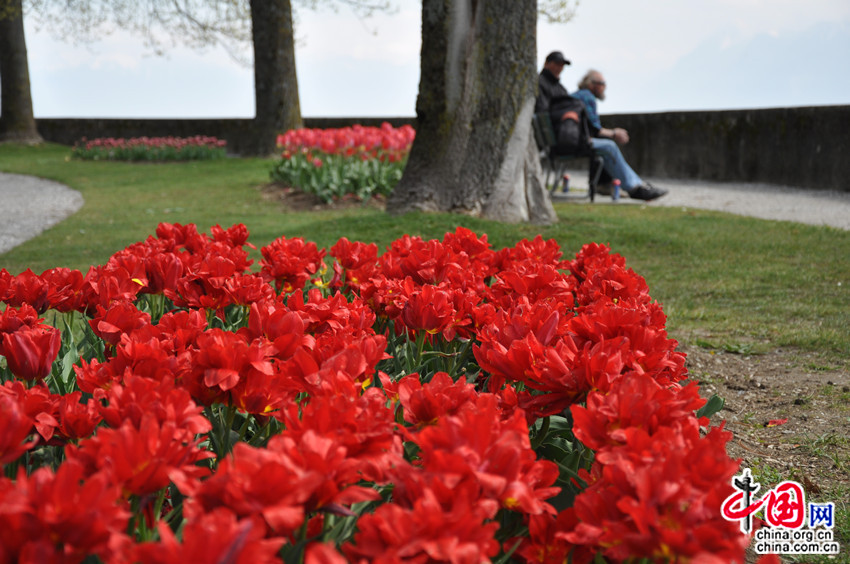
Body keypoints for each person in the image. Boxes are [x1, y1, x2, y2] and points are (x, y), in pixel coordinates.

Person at [572, 69, 667, 201]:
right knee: (609, 146)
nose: (604, 87)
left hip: (568, 140)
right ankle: (635, 187)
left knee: (604, 144)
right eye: (602, 83)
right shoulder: (587, 97)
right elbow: (595, 128)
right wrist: (615, 133)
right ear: (592, 84)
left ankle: (608, 184)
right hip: (575, 142)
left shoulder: (577, 95)